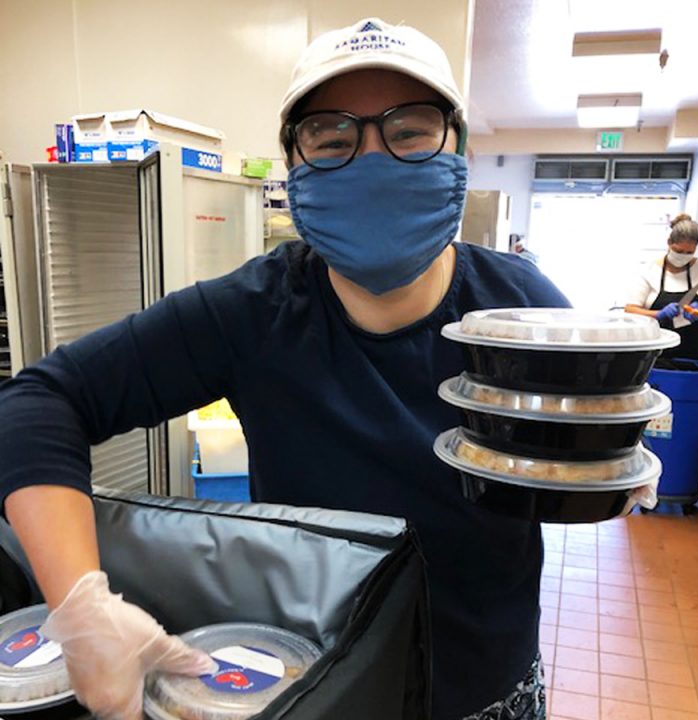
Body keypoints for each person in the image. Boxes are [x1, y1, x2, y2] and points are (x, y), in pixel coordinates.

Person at [0, 18, 570, 720]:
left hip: (488, 690)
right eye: (332, 138)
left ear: (459, 146)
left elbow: (585, 453)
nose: (372, 160)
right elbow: (39, 399)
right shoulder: (250, 314)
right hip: (318, 687)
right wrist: (80, 603)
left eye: (411, 131)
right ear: (294, 169)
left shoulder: (525, 314)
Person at [625, 213, 698, 360]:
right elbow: (630, 310)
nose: (683, 256)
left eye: (690, 252)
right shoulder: (649, 270)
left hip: (692, 353)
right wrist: (658, 315)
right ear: (669, 243)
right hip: (654, 353)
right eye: (679, 251)